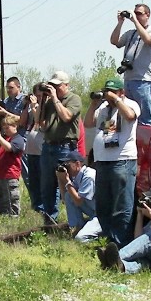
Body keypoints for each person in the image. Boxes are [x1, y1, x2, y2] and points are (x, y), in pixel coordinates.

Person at [84, 77, 139, 247]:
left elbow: (129, 116)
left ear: (121, 92)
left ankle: (121, 242)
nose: (108, 95)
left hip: (122, 161)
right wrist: (94, 103)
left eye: (112, 92)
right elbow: (88, 123)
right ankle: (109, 240)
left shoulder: (131, 104)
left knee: (121, 204)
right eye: (106, 92)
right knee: (104, 204)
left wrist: (116, 100)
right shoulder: (104, 109)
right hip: (103, 162)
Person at [38, 71, 82, 224]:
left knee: (66, 184)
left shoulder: (74, 99)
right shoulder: (49, 102)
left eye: (57, 86)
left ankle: (74, 220)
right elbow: (40, 123)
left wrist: (55, 98)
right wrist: (42, 101)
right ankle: (50, 220)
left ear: (66, 85)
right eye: (52, 86)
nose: (54, 88)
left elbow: (66, 117)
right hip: (48, 146)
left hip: (65, 147)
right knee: (47, 185)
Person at [110, 3, 151, 125]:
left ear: (147, 15)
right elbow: (114, 41)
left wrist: (134, 21)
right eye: (134, 13)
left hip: (144, 81)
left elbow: (149, 40)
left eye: (139, 13)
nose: (136, 16)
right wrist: (120, 22)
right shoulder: (131, 33)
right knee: (129, 118)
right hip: (128, 80)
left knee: (145, 119)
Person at [55, 151, 101, 242]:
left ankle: (101, 235)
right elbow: (65, 199)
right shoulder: (78, 176)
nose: (66, 167)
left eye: (67, 164)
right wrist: (60, 179)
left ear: (77, 164)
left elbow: (78, 201)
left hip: (102, 216)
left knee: (80, 239)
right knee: (69, 195)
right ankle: (77, 227)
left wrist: (67, 181)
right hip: (93, 212)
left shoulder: (89, 176)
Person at [0, 114, 26, 216]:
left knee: (12, 197)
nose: (5, 130)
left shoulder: (18, 139)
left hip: (10, 173)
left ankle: (14, 216)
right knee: (1, 197)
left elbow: (9, 148)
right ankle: (1, 213)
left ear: (15, 126)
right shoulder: (3, 138)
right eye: (4, 128)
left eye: (7, 127)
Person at [21, 87, 46, 215]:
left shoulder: (45, 107)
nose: (39, 97)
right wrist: (27, 106)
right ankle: (36, 206)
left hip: (42, 151)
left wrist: (36, 105)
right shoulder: (31, 106)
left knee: (43, 181)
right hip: (31, 150)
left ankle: (44, 208)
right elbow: (22, 122)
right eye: (36, 95)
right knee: (33, 180)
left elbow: (39, 121)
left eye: (41, 95)